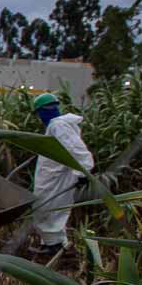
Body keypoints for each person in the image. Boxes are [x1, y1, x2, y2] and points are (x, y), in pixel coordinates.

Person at [29, 91, 94, 251]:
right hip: (54, 174)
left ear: (42, 111)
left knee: (46, 207)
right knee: (51, 208)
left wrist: (83, 172)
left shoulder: (58, 125)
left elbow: (75, 148)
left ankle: (54, 244)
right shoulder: (57, 125)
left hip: (57, 176)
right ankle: (53, 243)